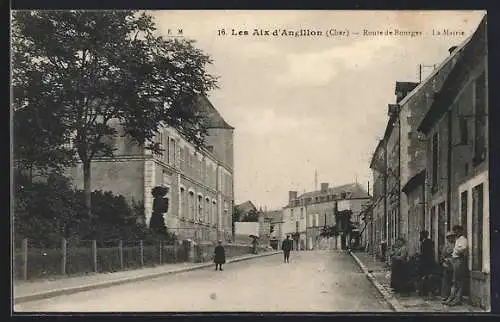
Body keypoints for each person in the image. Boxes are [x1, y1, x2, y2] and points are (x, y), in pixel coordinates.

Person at [443, 225, 468, 306]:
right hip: (455, 260)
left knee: (458, 280)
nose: (456, 232)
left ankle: (457, 299)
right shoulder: (457, 240)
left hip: (459, 259)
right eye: (455, 231)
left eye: (457, 230)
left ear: (461, 231)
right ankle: (452, 297)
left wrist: (455, 250)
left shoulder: (463, 239)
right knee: (455, 280)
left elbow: (463, 249)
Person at [419, 230, 435, 298]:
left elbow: (424, 253)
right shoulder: (429, 241)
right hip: (429, 261)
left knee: (425, 276)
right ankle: (427, 292)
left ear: (422, 235)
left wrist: (420, 255)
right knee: (427, 276)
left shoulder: (425, 242)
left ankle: (427, 292)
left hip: (426, 262)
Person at [440, 231, 456, 300]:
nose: (451, 238)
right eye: (449, 237)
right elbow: (442, 256)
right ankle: (445, 295)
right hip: (447, 263)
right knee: (446, 280)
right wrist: (444, 262)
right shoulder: (446, 246)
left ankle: (453, 295)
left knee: (454, 280)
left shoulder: (456, 244)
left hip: (455, 263)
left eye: (452, 237)